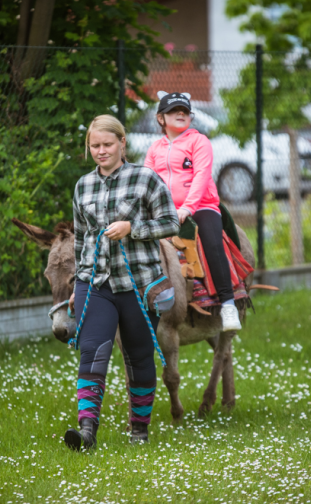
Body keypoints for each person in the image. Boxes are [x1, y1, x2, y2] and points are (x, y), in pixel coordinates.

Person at [65, 114, 180, 451]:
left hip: (140, 285)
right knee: (92, 352)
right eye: (95, 145)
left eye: (107, 144)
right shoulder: (82, 186)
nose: (101, 151)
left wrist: (134, 229)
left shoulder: (145, 179)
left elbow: (171, 222)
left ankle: (139, 431)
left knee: (139, 357)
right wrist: (76, 284)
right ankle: (86, 433)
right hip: (94, 283)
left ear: (122, 144)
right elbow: (79, 240)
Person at [143, 91, 242, 331]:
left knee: (211, 240)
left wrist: (188, 207)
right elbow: (145, 180)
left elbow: (201, 176)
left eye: (185, 111)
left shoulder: (199, 141)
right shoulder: (155, 148)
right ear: (160, 119)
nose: (180, 114)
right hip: (165, 210)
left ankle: (227, 304)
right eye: (173, 111)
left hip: (201, 205)